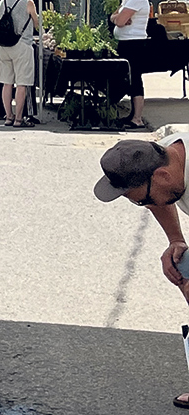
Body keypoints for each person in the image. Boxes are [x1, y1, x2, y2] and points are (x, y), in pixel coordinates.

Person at [92, 133, 189, 409]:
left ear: (161, 176)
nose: (143, 205)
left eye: (140, 199)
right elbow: (157, 200)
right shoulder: (168, 153)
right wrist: (175, 240)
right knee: (186, 268)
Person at [0, 0, 41, 128]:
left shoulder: (3, 2)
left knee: (6, 82)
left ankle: (8, 116)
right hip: (22, 45)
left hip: (4, 46)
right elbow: (37, 23)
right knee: (22, 83)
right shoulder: (28, 2)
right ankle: (19, 118)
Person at [111, 0, 152, 129]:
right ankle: (133, 115)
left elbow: (120, 20)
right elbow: (115, 16)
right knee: (129, 78)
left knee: (134, 78)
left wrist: (119, 19)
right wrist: (118, 19)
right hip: (126, 41)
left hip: (134, 43)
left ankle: (137, 118)